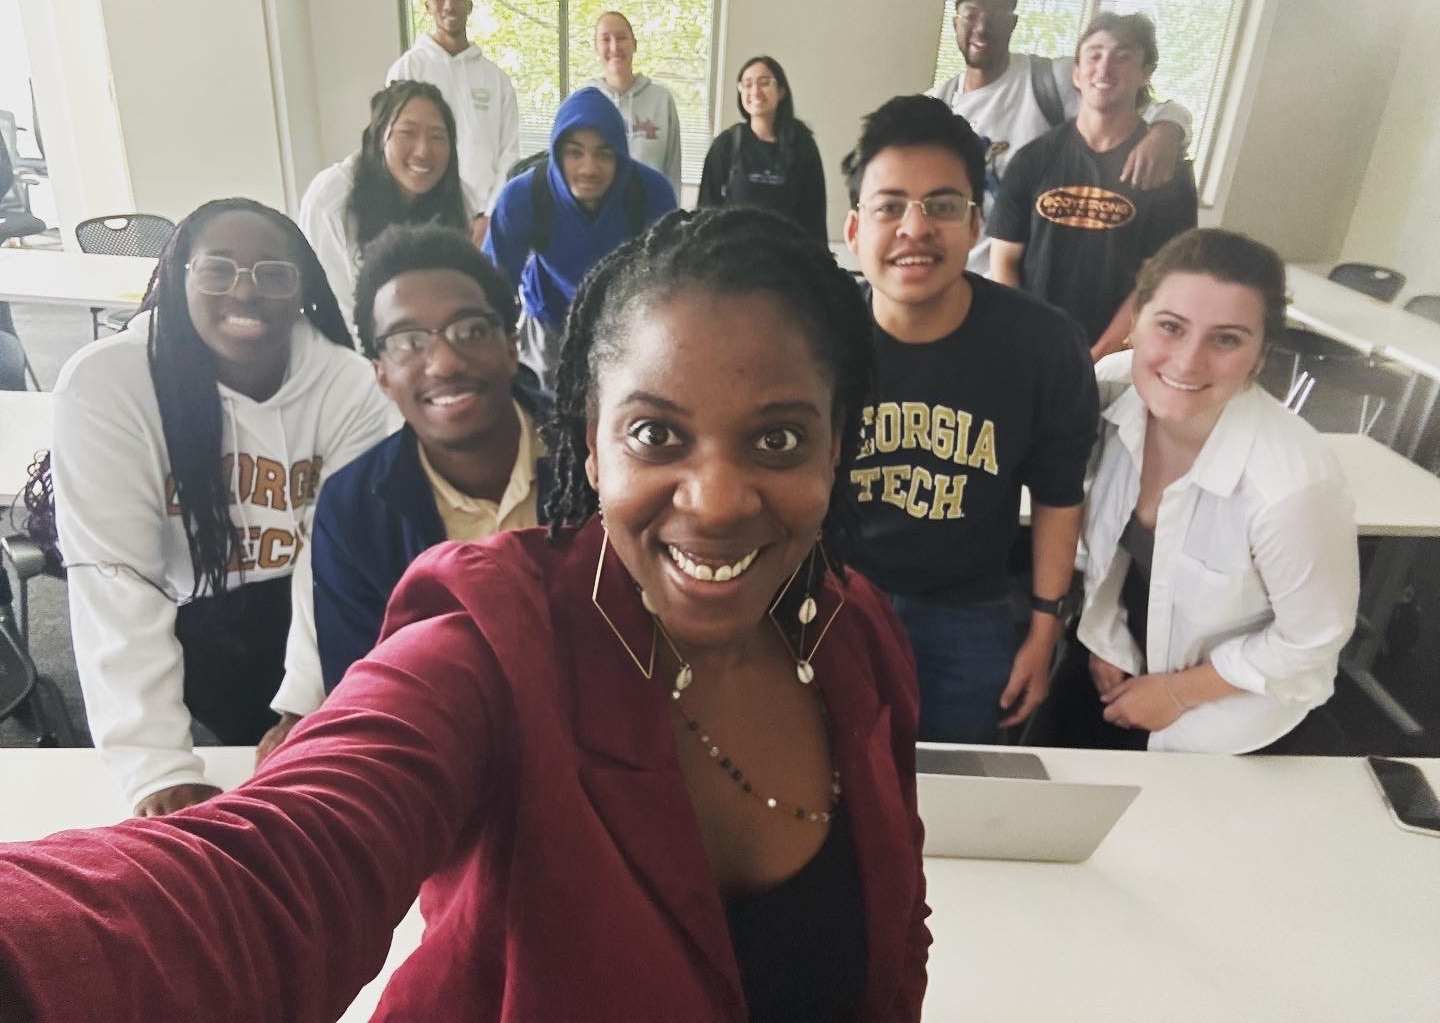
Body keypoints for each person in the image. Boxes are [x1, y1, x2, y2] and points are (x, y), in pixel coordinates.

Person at [0, 207, 930, 1022]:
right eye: (656, 434)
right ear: (593, 449)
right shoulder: (485, 646)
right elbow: (276, 870)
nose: (720, 500)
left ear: (835, 447)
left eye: (777, 438)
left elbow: (894, 923)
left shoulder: (854, 635)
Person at [43, 198, 393, 816]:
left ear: (303, 289)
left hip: (306, 607)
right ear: (179, 278)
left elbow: (338, 559)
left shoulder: (349, 385)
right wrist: (157, 770)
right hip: (186, 612)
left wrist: (307, 705)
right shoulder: (107, 384)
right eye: (218, 269)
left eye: (273, 274)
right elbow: (117, 577)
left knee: (339, 799)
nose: (245, 292)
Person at [842, 94, 1098, 743]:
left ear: (978, 224)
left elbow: (1059, 495)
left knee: (954, 798)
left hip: (968, 610)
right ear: (854, 230)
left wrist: (1045, 626)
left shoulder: (1043, 346)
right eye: (890, 206)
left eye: (943, 206)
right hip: (833, 597)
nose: (915, 228)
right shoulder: (813, 336)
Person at [1051, 228, 1360, 754]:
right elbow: (1110, 546)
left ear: (1260, 357)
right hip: (1122, 654)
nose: (1188, 362)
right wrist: (1106, 633)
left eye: (1226, 339)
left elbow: (1311, 639)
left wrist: (1175, 693)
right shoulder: (1113, 389)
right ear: (1135, 324)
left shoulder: (1291, 489)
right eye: (1171, 327)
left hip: (1234, 706)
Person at [260, 224, 550, 759]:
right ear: (381, 373)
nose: (444, 363)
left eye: (469, 330)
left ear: (511, 346)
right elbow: (371, 696)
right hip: (451, 763)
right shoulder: (353, 510)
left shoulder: (597, 460)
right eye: (409, 342)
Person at [929, 0, 1192, 271]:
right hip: (951, 281)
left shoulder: (1050, 80)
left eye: (997, 15)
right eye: (971, 14)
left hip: (1029, 283)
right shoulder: (936, 106)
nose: (982, 28)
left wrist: (1167, 130)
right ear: (955, 21)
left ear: (1013, 23)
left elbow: (1148, 105)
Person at [989, 13, 1198, 358]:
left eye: (1122, 56)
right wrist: (1021, 332)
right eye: (1094, 54)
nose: (1105, 68)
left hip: (1118, 357)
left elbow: (1160, 279)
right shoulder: (1033, 159)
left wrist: (1099, 353)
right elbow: (1005, 260)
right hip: (1029, 347)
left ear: (1145, 73)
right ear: (1076, 71)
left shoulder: (1166, 173)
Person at [484, 86, 676, 391]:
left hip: (623, 324)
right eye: (575, 153)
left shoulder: (650, 194)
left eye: (604, 153)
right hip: (549, 320)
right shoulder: (523, 197)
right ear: (557, 153)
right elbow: (493, 282)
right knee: (549, 413)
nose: (588, 168)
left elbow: (670, 281)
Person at [298, 80, 475, 333]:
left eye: (437, 137)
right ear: (380, 135)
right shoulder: (331, 199)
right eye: (408, 133)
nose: (423, 151)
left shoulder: (461, 200)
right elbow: (337, 308)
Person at [386, 0, 520, 238]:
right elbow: (392, 145)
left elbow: (509, 153)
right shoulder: (407, 70)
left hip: (483, 223)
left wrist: (489, 215)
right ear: (427, 6)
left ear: (469, 6)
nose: (449, 5)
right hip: (422, 220)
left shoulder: (496, 80)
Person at [698, 55, 828, 244]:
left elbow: (815, 216)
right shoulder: (726, 144)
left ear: (781, 91)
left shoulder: (802, 145)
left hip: (789, 262)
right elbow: (705, 211)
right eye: (747, 84)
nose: (755, 91)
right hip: (733, 261)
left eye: (764, 83)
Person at [585, 10, 682, 198]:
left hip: (652, 218)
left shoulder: (661, 100)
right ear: (596, 48)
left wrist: (673, 220)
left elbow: (673, 170)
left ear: (634, 45)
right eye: (605, 39)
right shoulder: (585, 102)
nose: (614, 47)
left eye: (621, 38)